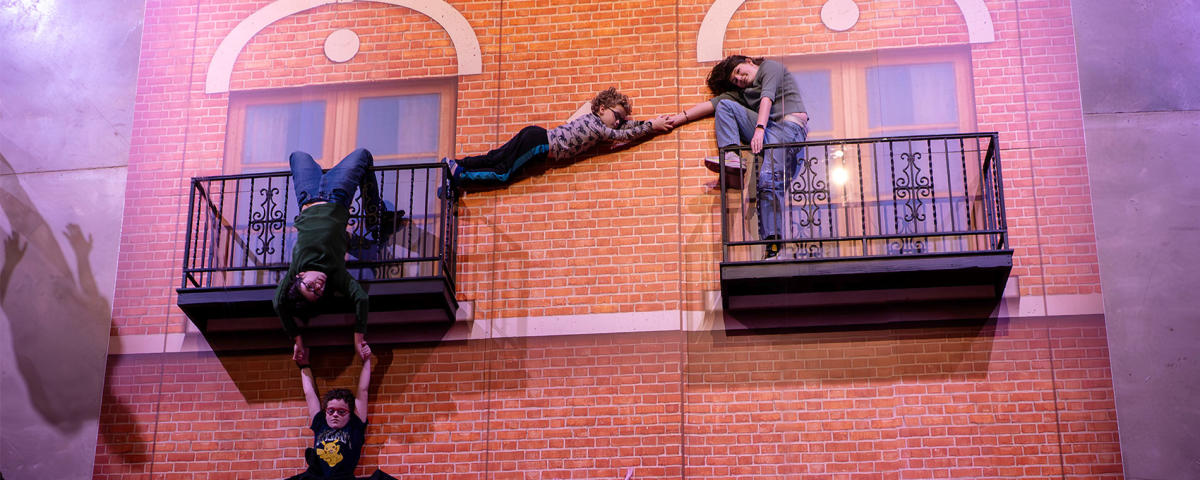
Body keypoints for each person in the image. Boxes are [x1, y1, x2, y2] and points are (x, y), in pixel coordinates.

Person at [665, 55, 809, 259]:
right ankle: (732, 157)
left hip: (789, 129)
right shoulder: (745, 94)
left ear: (749, 62)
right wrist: (677, 119)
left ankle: (775, 248)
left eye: (739, 72)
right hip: (770, 130)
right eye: (735, 80)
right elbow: (713, 105)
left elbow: (767, 97)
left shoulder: (770, 67)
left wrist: (759, 128)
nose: (740, 78)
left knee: (767, 182)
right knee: (726, 107)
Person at [274, 148, 400, 362]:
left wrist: (297, 339)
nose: (319, 286)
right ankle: (373, 218)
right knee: (363, 155)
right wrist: (358, 338)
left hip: (308, 194)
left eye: (311, 287)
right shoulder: (335, 271)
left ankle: (328, 176)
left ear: (300, 277)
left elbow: (278, 303)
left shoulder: (296, 268)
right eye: (319, 291)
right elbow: (360, 298)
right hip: (337, 194)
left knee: (298, 155)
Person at [443, 87, 671, 191]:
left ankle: (457, 164)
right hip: (540, 144)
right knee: (503, 173)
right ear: (602, 108)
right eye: (617, 116)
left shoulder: (595, 121)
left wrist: (649, 122)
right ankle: (461, 176)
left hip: (535, 135)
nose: (619, 122)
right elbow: (622, 135)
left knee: (496, 157)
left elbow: (627, 127)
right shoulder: (597, 126)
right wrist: (652, 127)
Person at [286, 344, 395, 480]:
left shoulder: (354, 426)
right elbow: (309, 394)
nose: (335, 415)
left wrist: (367, 361)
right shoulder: (320, 422)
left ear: (349, 414)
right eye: (331, 411)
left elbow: (363, 391)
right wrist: (303, 365)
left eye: (341, 412)